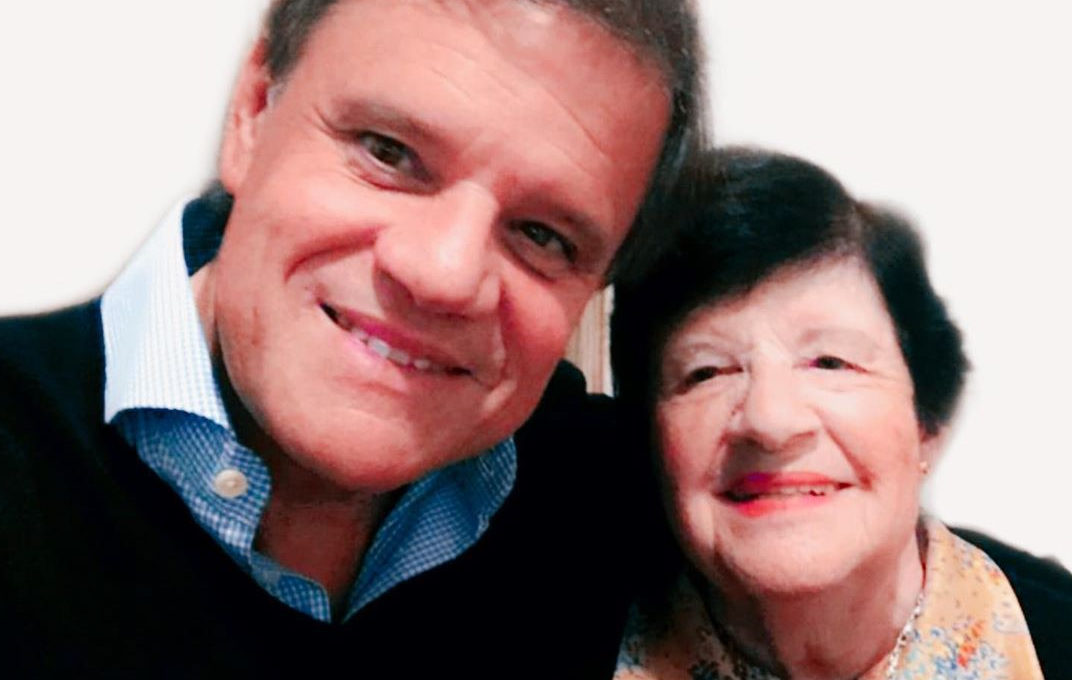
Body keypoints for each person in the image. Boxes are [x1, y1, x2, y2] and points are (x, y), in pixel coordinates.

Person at [0, 0, 707, 675]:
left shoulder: (603, 496)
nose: (444, 274)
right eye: (388, 152)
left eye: (542, 235)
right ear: (253, 113)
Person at [609, 147, 1072, 679]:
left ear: (927, 423)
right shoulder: (563, 625)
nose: (770, 421)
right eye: (707, 372)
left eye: (831, 362)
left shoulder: (1056, 639)